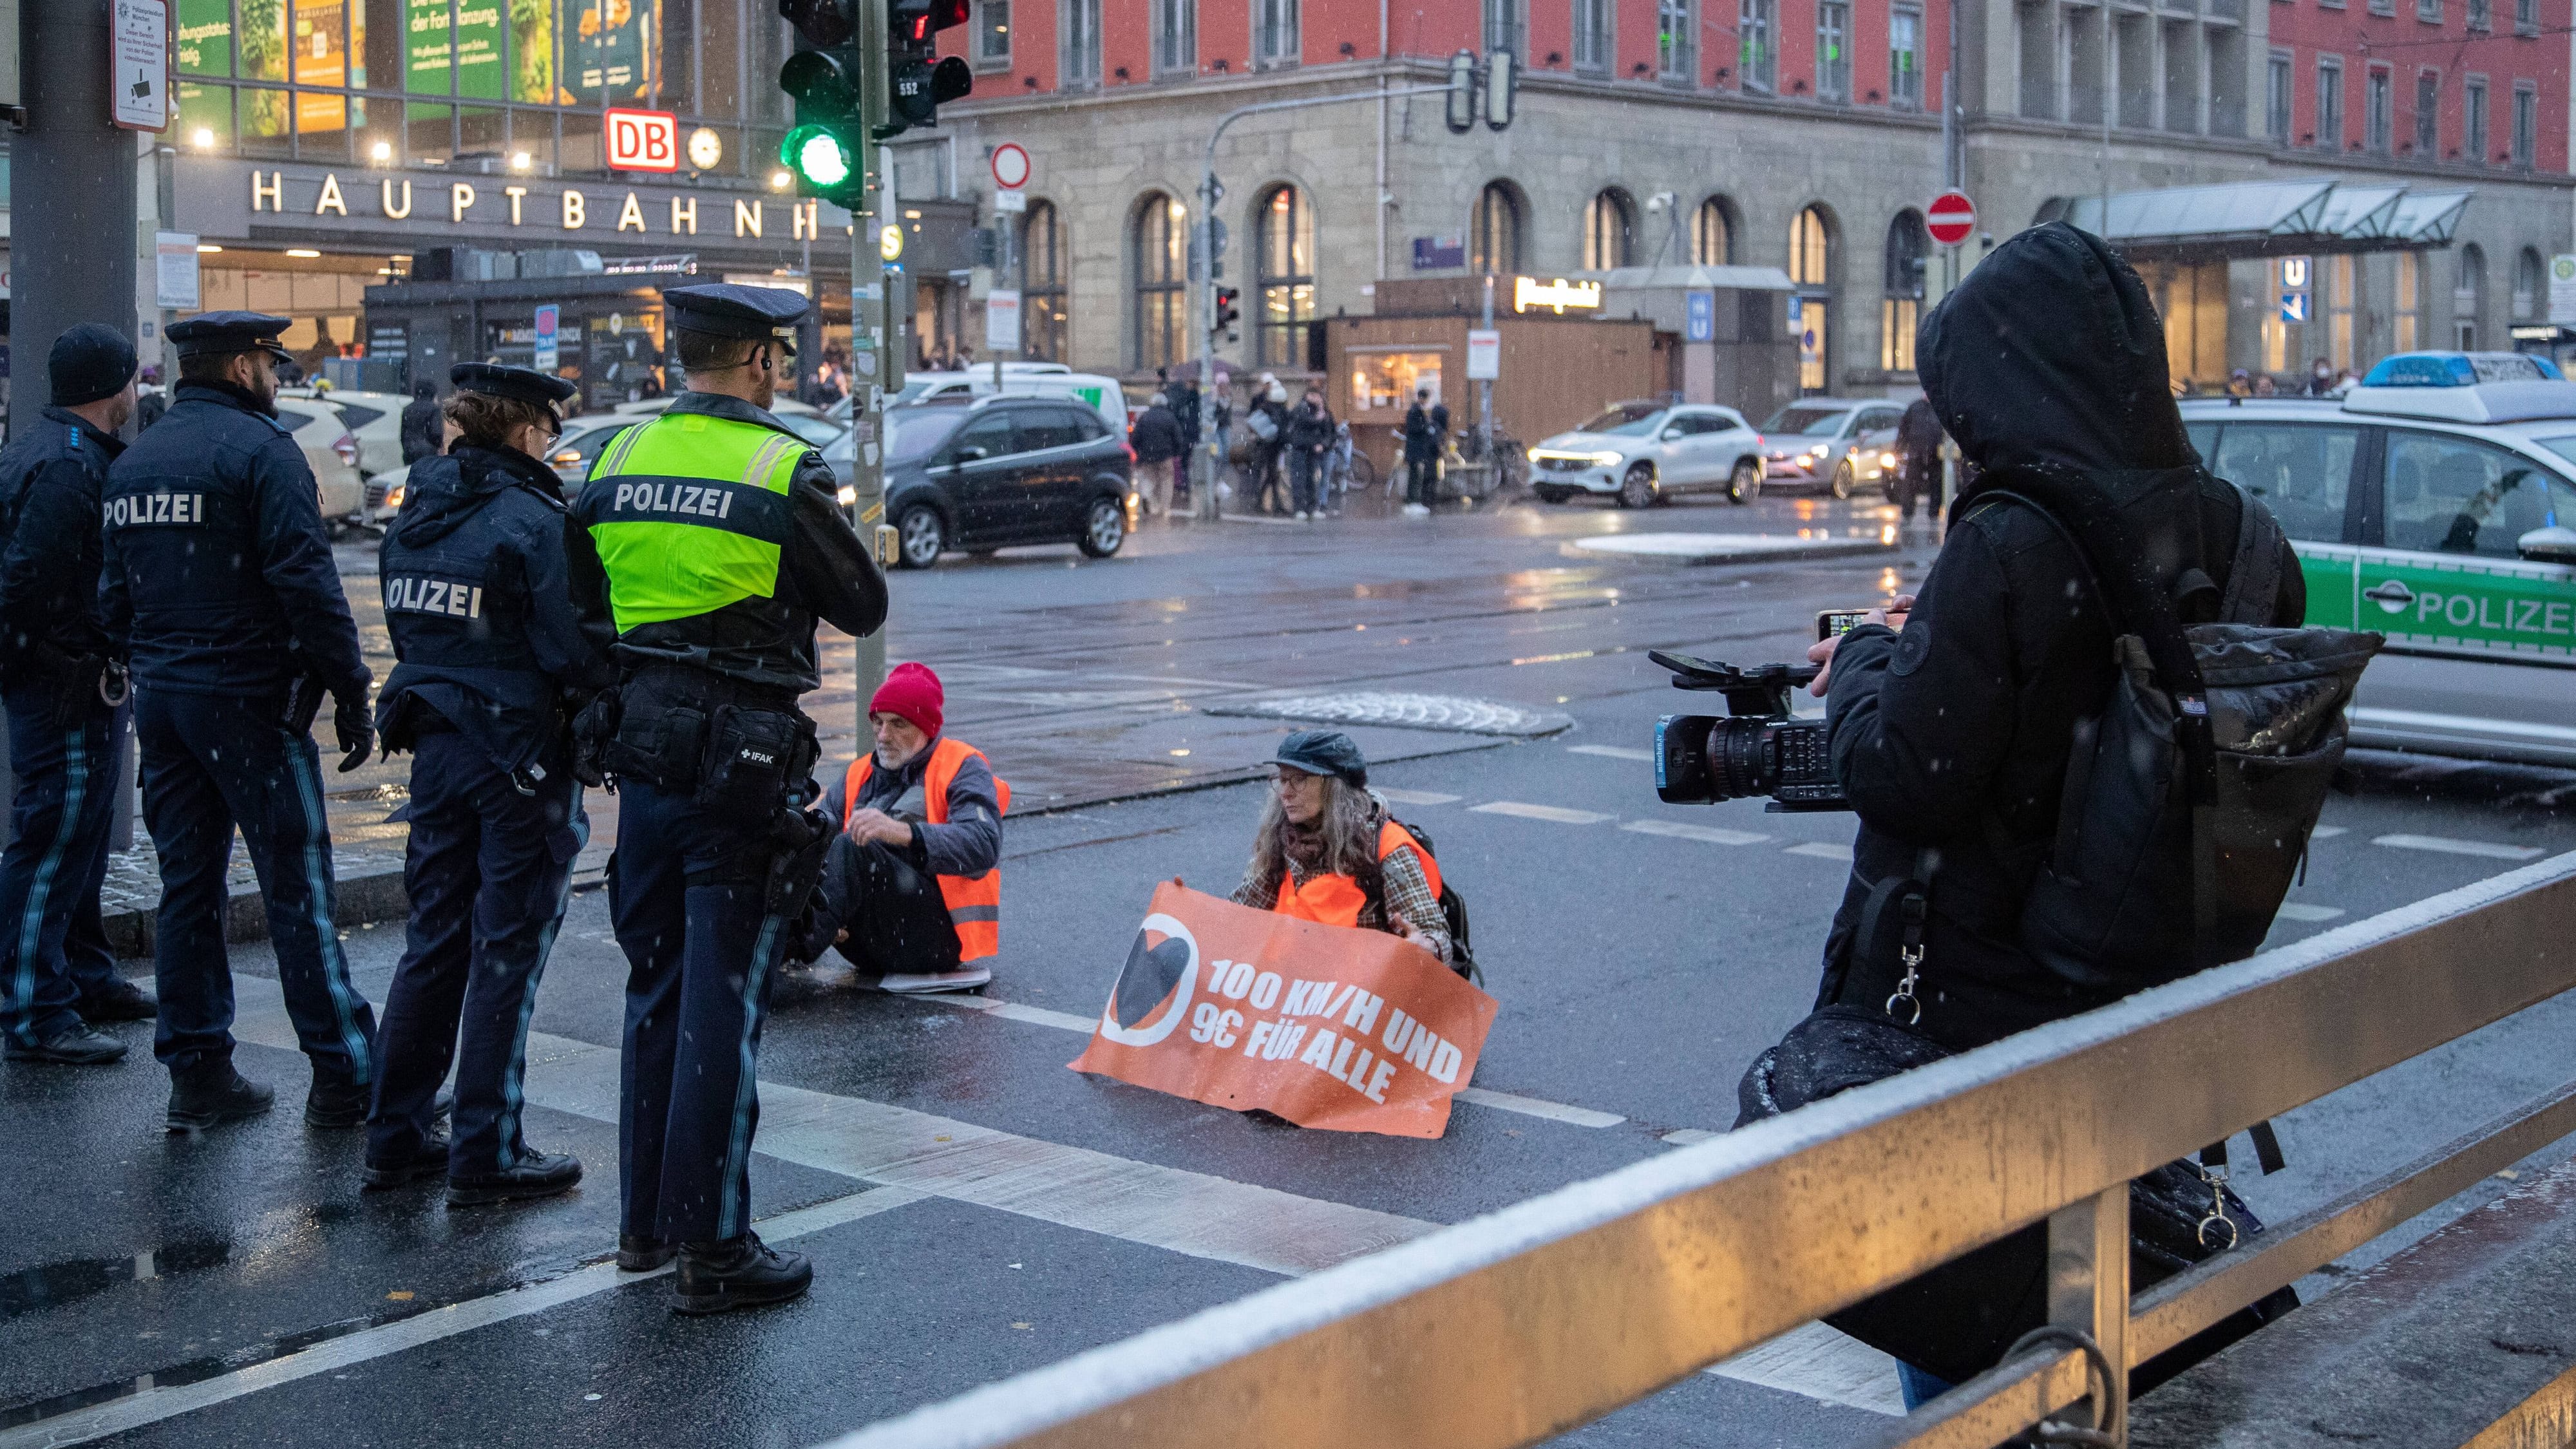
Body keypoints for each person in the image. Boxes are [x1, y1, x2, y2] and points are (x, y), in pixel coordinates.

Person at [1801, 222, 2304, 1406]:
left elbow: (1906, 777)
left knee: (1968, 1316)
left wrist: (1868, 659)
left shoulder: (2015, 532)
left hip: (1975, 1006)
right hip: (2143, 991)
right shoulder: (2247, 539)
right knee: (2088, 1300)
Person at [567, 283, 887, 1313]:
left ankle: (645, 1228)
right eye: (778, 359)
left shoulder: (613, 458)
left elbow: (579, 601)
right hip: (742, 762)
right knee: (723, 1001)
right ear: (757, 362)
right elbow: (861, 600)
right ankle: (714, 1242)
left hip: (645, 752)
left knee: (654, 986)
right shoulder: (783, 466)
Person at [102, 312, 381, 1132]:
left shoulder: (135, 464)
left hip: (168, 704)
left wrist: (161, 662)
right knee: (298, 888)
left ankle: (197, 1073)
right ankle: (344, 1075)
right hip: (250, 703)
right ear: (236, 367)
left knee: (188, 890)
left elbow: (111, 599)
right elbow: (309, 586)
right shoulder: (262, 452)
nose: (276, 372)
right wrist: (351, 690)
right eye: (268, 360)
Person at [363, 363, 614, 1204]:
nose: (552, 442)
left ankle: (395, 1133)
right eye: (546, 427)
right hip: (518, 757)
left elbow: (412, 627)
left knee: (433, 941)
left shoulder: (419, 512)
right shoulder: (533, 521)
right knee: (507, 949)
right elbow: (577, 648)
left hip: (436, 747)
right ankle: (486, 1147)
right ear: (523, 429)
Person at [0, 325, 155, 1066]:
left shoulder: (48, 448)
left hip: (66, 679)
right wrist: (63, 659)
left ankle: (83, 976)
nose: (138, 392)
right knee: (54, 842)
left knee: (83, 837)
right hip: (62, 685)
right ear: (112, 387)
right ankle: (35, 1010)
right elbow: (33, 586)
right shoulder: (69, 467)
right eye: (132, 379)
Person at [799, 663, 1007, 994]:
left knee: (854, 848)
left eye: (899, 724)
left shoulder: (961, 766)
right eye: (878, 723)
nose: (884, 736)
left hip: (937, 940)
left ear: (927, 729)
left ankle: (790, 951)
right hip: (866, 940)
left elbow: (982, 846)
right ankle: (772, 942)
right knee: (796, 845)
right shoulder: (858, 774)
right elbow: (814, 844)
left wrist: (902, 833)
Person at [1231, 732, 1457, 972]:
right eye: (1282, 780)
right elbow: (1240, 918)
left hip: (1353, 999)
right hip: (1284, 993)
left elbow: (1433, 933)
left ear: (1334, 787)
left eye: (1299, 780)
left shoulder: (1385, 844)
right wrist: (1191, 912)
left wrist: (1427, 946)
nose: (1286, 792)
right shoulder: (1279, 839)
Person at [1128, 392, 1183, 518]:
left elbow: (1136, 438)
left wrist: (1137, 452)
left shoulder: (1144, 417)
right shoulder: (1170, 417)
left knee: (1150, 479)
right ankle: (1165, 509)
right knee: (1167, 481)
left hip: (1147, 456)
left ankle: (1147, 495)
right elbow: (1178, 437)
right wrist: (1177, 452)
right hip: (1165, 455)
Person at [1283, 388, 1335, 521]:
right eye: (1313, 395)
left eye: (1318, 395)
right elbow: (1307, 422)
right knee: (1299, 478)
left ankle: (1311, 508)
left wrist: (1322, 444)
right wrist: (1319, 417)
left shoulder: (1321, 411)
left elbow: (1328, 430)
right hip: (1300, 449)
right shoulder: (1302, 408)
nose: (1316, 398)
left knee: (1311, 479)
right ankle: (1300, 508)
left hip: (1311, 449)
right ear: (1307, 396)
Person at [1893, 395, 1942, 524]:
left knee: (1936, 484)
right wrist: (1899, 448)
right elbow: (1904, 428)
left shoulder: (1939, 406)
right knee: (1911, 483)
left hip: (1935, 453)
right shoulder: (1915, 408)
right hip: (1917, 452)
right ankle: (1908, 512)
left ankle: (1933, 513)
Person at [1401, 388, 1447, 517]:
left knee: (1415, 475)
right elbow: (1415, 428)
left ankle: (1412, 502)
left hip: (1414, 449)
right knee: (1415, 476)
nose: (1426, 402)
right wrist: (1426, 428)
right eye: (1426, 399)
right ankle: (1413, 502)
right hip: (1416, 449)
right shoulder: (1416, 412)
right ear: (1422, 398)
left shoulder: (1415, 411)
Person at [400, 379, 444, 465]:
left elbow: (403, 434)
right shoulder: (434, 409)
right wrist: (438, 446)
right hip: (428, 453)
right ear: (433, 394)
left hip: (409, 451)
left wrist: (408, 447)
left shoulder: (407, 409)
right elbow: (436, 433)